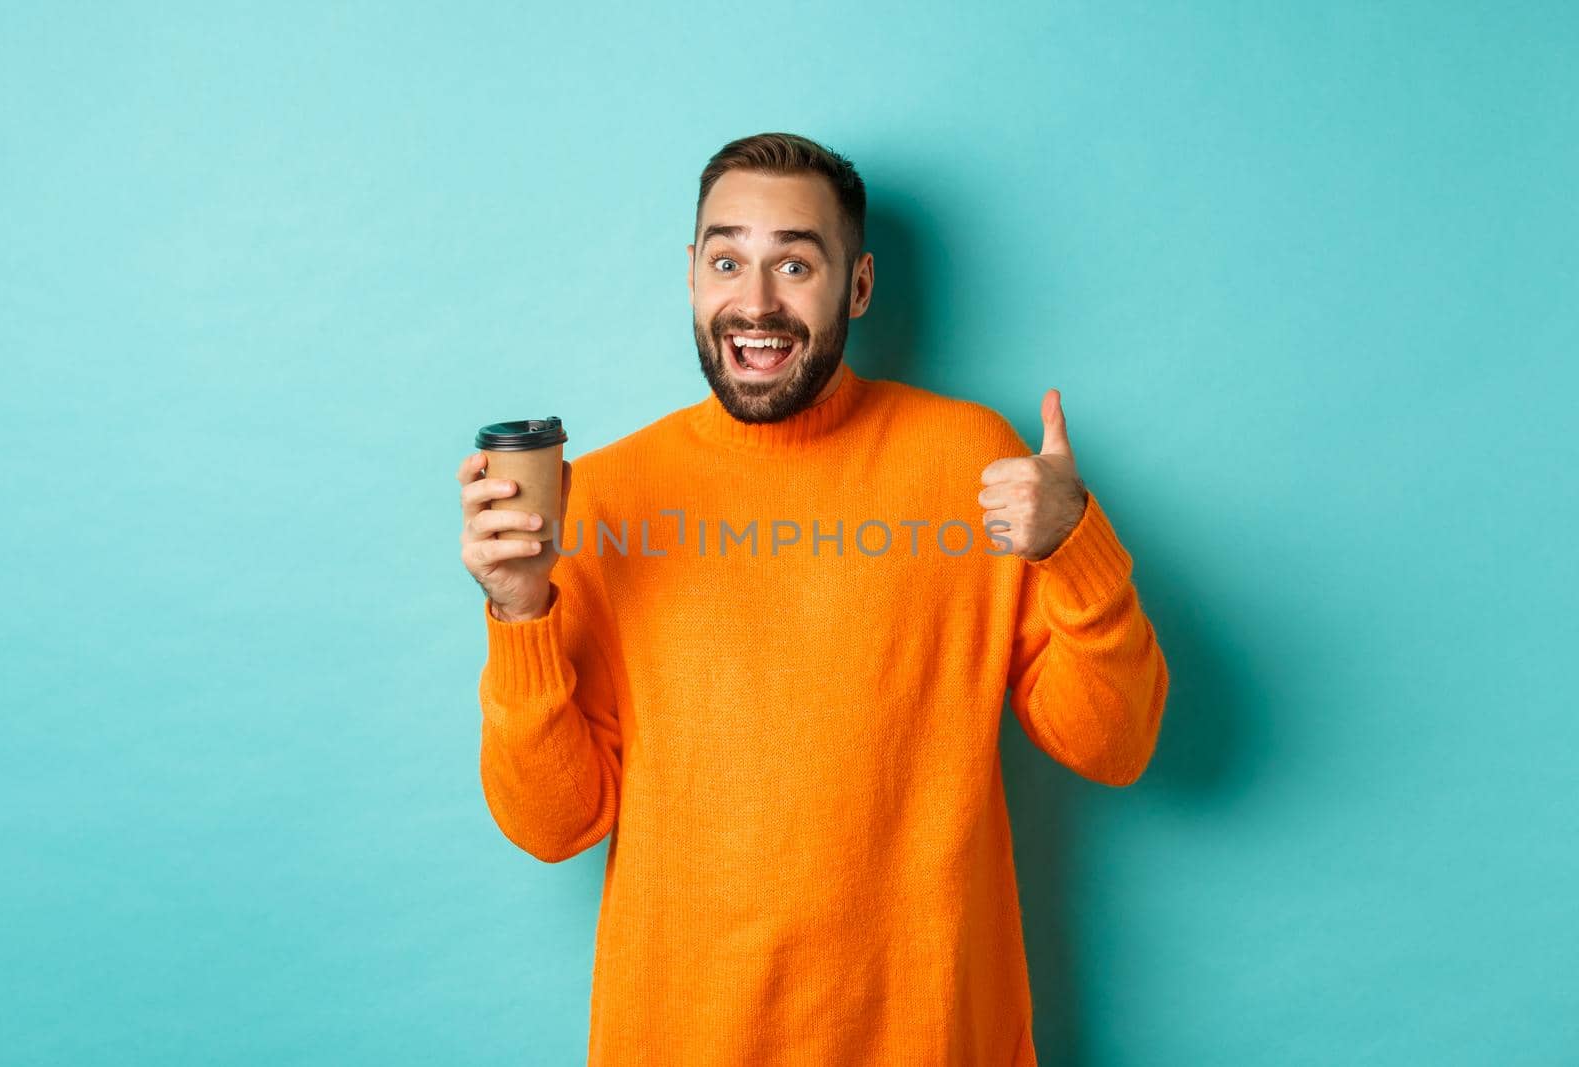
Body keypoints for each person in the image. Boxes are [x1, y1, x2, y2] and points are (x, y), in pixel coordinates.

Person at [456, 131, 1169, 1067]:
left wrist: (1077, 544)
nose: (754, 303)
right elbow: (553, 825)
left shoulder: (972, 463)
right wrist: (518, 611)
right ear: (691, 275)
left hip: (931, 1037)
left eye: (795, 262)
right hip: (685, 1036)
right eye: (727, 260)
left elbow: (1113, 745)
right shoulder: (609, 496)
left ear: (859, 286)